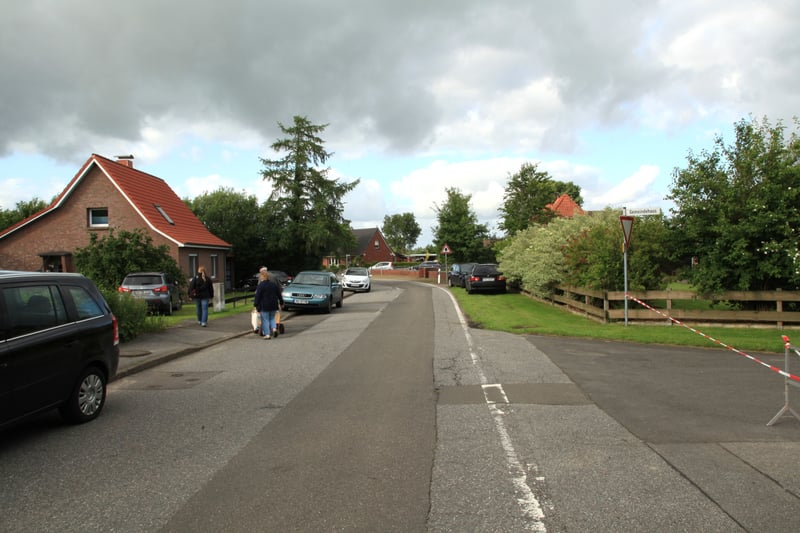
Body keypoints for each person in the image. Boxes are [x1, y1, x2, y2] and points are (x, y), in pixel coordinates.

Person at [254, 268, 284, 339]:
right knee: (272, 319)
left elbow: (257, 296)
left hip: (265, 305)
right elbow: (279, 295)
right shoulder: (273, 285)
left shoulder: (261, 286)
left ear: (262, 277)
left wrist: (256, 305)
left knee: (265, 320)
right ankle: (274, 329)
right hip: (274, 305)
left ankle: (267, 335)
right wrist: (281, 303)